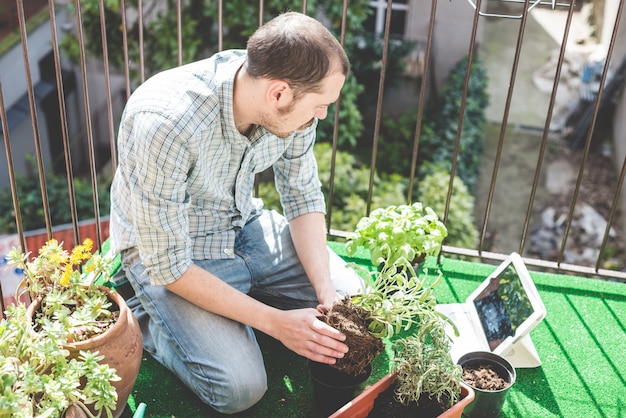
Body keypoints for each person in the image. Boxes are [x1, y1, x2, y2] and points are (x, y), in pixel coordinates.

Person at [109, 11, 364, 414]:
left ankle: (245, 305)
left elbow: (302, 196)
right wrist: (277, 324)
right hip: (175, 255)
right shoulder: (164, 123)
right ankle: (147, 320)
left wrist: (326, 294)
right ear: (279, 93)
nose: (323, 116)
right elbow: (169, 264)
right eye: (321, 105)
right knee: (239, 390)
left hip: (243, 224)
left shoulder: (291, 104)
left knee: (353, 305)